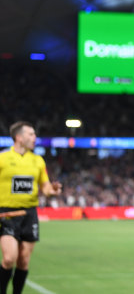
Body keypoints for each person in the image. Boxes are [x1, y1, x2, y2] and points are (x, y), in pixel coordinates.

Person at [0, 121, 62, 294]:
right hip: (7, 213)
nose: (35, 137)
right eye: (31, 134)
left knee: (24, 261)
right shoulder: (2, 158)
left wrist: (53, 190)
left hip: (29, 214)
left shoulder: (37, 161)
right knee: (9, 258)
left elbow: (46, 188)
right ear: (18, 137)